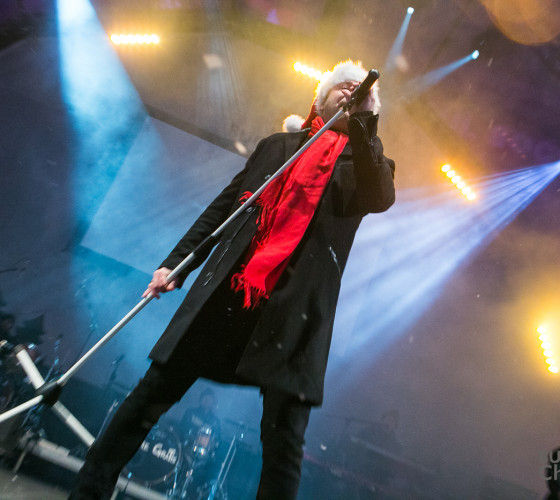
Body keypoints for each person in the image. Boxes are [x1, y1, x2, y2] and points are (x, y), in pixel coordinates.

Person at [70, 60, 396, 499]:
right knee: (149, 397)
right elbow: (226, 206)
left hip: (295, 309)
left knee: (283, 439)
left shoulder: (367, 164)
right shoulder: (280, 146)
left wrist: (365, 125)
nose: (351, 92)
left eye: (360, 90)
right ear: (321, 99)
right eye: (343, 86)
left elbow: (380, 197)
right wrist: (178, 263)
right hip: (231, 289)